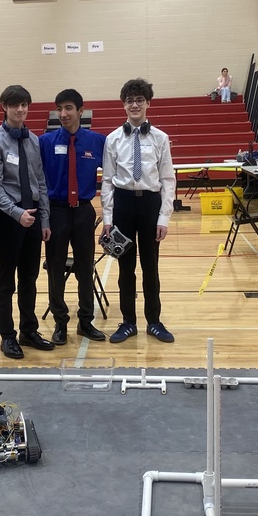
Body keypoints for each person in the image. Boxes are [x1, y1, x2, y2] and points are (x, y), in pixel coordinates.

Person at [101, 78, 176, 344]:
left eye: (139, 100)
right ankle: (128, 322)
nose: (134, 105)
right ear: (123, 104)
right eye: (130, 100)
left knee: (150, 267)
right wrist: (108, 218)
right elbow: (107, 181)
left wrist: (163, 217)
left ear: (147, 103)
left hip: (149, 205)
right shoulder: (112, 139)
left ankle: (154, 322)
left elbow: (168, 179)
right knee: (125, 268)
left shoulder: (160, 138)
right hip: (123, 204)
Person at [0, 85, 55, 359]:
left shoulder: (34, 140)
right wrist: (16, 213)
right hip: (8, 219)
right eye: (15, 105)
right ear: (4, 106)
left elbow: (40, 180)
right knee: (6, 280)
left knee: (30, 277)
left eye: (24, 104)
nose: (20, 110)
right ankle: (7, 336)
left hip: (35, 216)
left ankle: (29, 330)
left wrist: (44, 218)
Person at [40, 88, 107, 345]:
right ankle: (60, 323)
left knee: (84, 268)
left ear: (81, 111)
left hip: (83, 210)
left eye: (68, 108)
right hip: (55, 211)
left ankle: (86, 321)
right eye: (60, 109)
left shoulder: (97, 141)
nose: (63, 113)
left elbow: (111, 178)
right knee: (55, 270)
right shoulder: (44, 142)